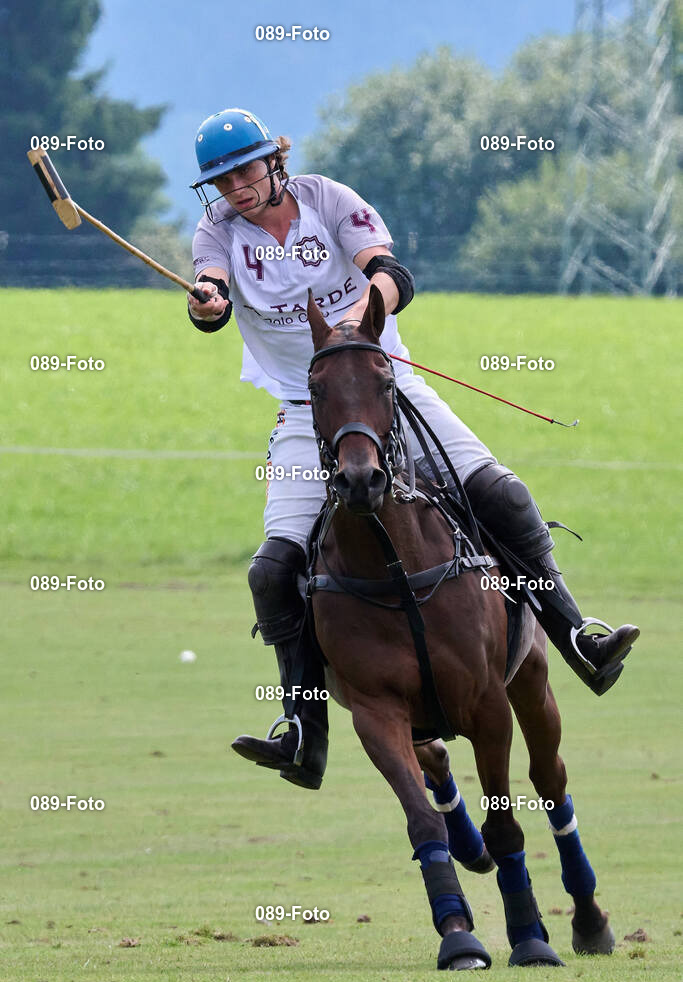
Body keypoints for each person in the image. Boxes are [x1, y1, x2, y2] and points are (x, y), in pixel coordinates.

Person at [187, 108, 639, 790]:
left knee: (501, 493)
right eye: (222, 181)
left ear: (273, 162)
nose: (237, 188)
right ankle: (304, 727)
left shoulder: (327, 199)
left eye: (246, 170)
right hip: (304, 412)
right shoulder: (216, 232)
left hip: (385, 387)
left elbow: (394, 272)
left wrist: (356, 317)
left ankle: (577, 637)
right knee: (272, 570)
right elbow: (212, 290)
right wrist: (207, 305)